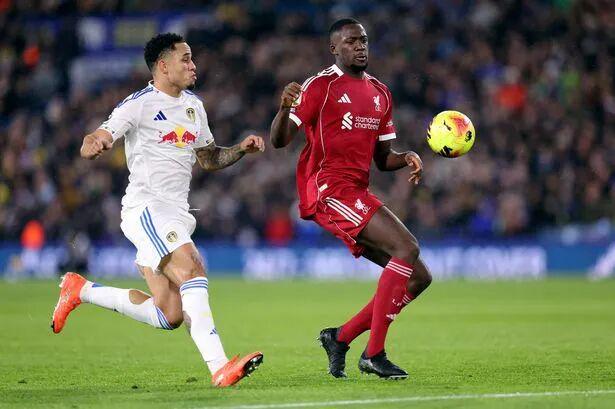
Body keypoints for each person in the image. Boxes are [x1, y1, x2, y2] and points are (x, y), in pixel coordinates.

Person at [51, 33, 265, 387]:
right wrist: (94, 143)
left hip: (176, 212)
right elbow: (100, 134)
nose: (193, 65)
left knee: (170, 313)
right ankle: (220, 367)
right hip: (147, 209)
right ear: (163, 66)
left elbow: (208, 158)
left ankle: (80, 289)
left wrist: (241, 149)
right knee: (193, 267)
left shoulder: (194, 106)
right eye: (186, 58)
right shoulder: (139, 104)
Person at [270, 18, 432, 379]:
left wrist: (406, 157)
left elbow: (382, 158)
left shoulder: (380, 93)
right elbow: (279, 141)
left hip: (357, 191)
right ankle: (374, 354)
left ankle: (340, 337)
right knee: (406, 248)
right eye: (351, 41)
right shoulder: (319, 86)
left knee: (418, 277)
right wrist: (283, 108)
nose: (360, 46)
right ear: (334, 48)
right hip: (327, 189)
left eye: (364, 40)